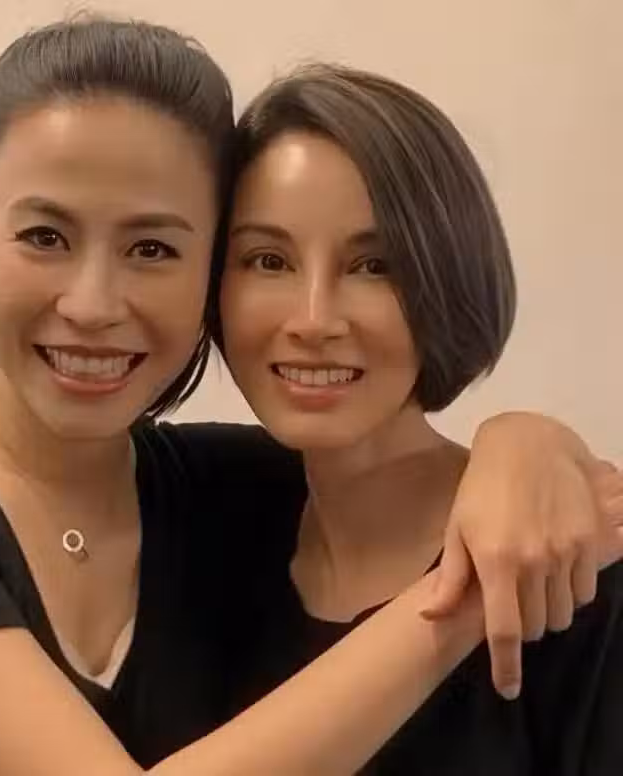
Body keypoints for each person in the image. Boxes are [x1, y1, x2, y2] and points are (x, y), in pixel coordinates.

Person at [0, 17, 622, 776]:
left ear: (204, 270)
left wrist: (527, 440)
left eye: (151, 248)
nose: (93, 304)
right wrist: (463, 595)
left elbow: (404, 468)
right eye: (44, 235)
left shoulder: (230, 498)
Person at [214, 62, 623, 775]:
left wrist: (525, 435)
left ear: (449, 275)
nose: (313, 319)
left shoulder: (578, 570)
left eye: (375, 266)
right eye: (268, 260)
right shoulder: (199, 524)